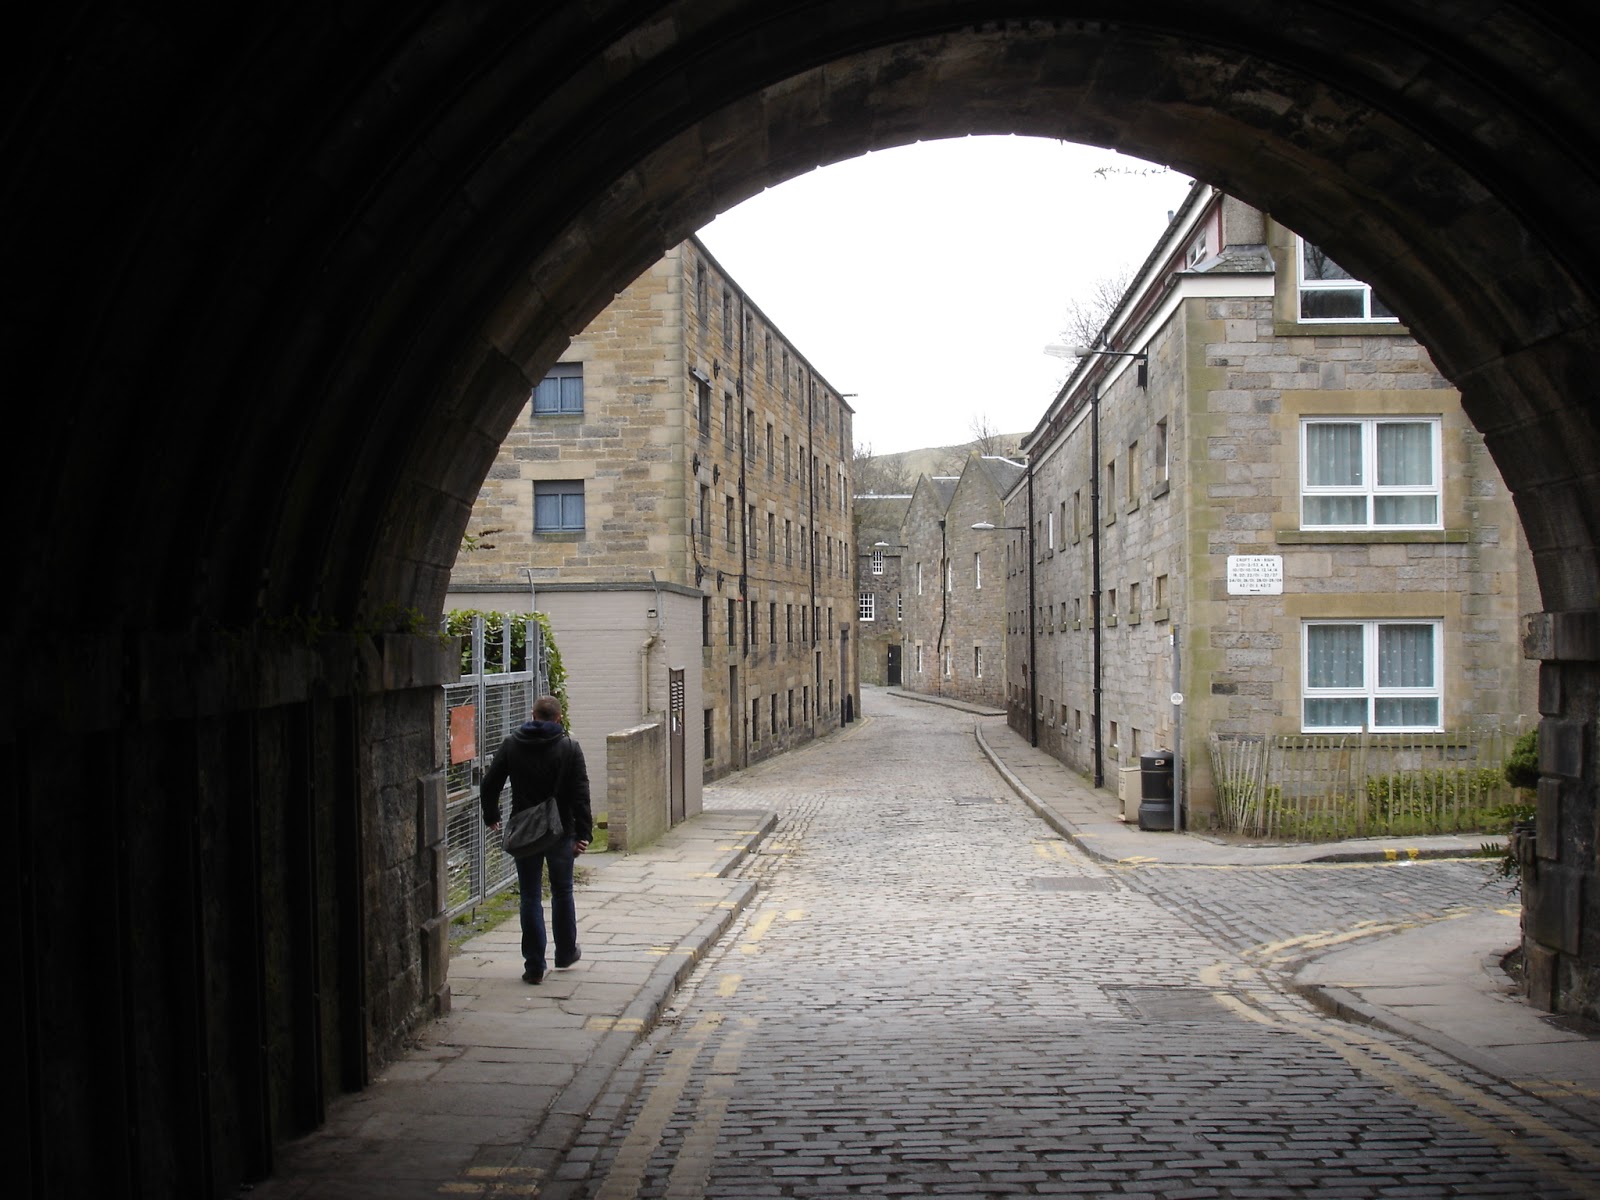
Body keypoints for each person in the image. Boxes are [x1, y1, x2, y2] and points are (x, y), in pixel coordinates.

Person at [481, 694, 592, 984]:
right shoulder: (569, 747)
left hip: (526, 831)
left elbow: (490, 782)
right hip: (561, 831)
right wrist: (583, 834)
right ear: (558, 718)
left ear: (533, 715)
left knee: (530, 896)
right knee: (562, 892)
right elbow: (581, 795)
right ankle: (566, 953)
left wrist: (491, 814)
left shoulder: (512, 744)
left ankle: (534, 965)